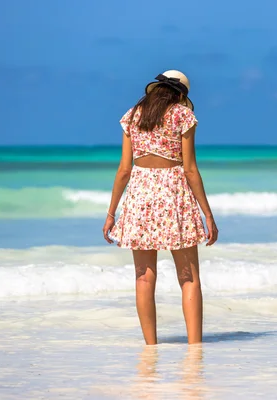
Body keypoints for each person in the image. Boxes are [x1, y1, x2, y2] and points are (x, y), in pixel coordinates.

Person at [102, 70, 218, 345]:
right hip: (174, 191)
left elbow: (123, 170)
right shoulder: (182, 115)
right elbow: (190, 169)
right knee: (189, 277)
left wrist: (111, 213)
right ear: (180, 95)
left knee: (143, 277)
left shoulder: (132, 115)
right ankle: (194, 347)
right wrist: (208, 214)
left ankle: (150, 348)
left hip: (140, 193)